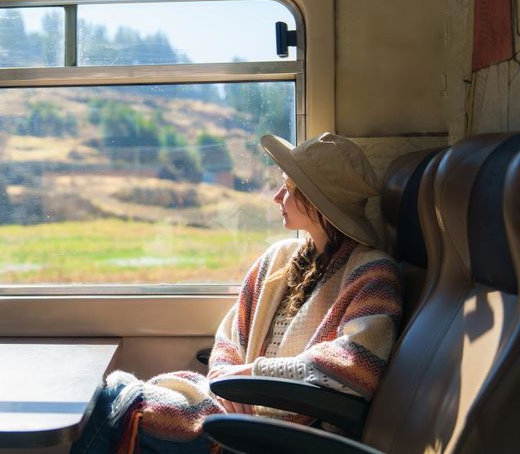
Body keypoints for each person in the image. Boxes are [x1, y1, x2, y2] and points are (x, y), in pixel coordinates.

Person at [70, 133, 403, 454]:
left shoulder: (372, 272)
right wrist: (225, 380)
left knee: (118, 401)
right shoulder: (279, 259)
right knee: (113, 393)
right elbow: (232, 337)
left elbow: (357, 365)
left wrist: (251, 376)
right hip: (233, 403)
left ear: (316, 201)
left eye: (287, 188)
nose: (276, 197)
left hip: (282, 427)